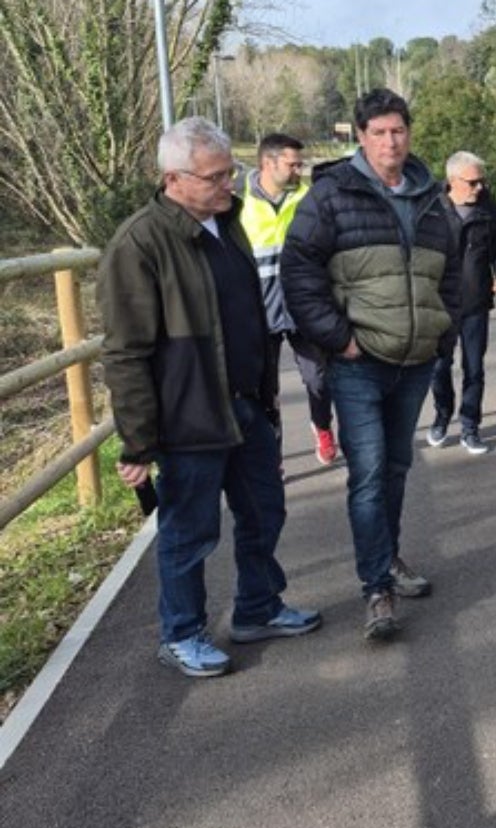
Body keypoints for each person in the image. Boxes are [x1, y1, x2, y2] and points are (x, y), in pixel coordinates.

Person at [97, 117, 321, 678]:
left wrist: (266, 396)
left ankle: (257, 607)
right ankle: (181, 632)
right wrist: (139, 441)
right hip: (187, 415)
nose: (229, 186)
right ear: (175, 179)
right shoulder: (141, 242)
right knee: (189, 531)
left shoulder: (229, 223)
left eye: (231, 174)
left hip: (247, 403)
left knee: (264, 511)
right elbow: (125, 352)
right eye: (216, 177)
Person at [281, 89, 453, 640]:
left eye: (397, 130)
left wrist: (439, 328)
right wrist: (339, 338)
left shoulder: (430, 197)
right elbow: (299, 273)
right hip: (358, 361)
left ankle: (389, 556)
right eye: (378, 132)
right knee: (371, 471)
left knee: (397, 468)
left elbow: (448, 275)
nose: (389, 141)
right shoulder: (331, 195)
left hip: (414, 361)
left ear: (410, 133)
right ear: (359, 136)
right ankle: (376, 588)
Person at [240, 132, 338, 465]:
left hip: (303, 307)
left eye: (301, 164)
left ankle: (322, 426)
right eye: (293, 164)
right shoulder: (240, 204)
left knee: (318, 378)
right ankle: (273, 457)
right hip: (260, 311)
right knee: (267, 392)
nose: (299, 170)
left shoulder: (309, 198)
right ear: (268, 163)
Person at [426, 151, 496, 455]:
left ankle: (470, 427)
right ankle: (441, 416)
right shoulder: (431, 207)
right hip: (440, 304)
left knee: (474, 369)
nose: (479, 188)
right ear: (453, 181)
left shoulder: (488, 208)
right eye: (473, 182)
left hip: (476, 303)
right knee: (439, 368)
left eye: (482, 181)